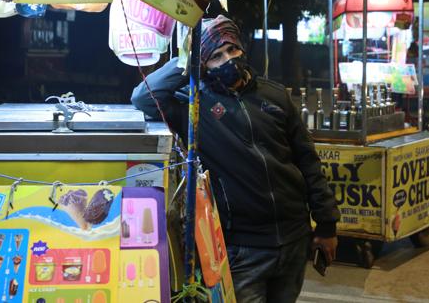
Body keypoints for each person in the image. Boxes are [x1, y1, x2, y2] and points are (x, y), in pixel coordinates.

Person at [132, 15, 339, 303]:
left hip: (294, 240)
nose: (228, 59)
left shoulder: (274, 96)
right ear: (202, 64)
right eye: (216, 56)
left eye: (232, 50)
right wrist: (185, 58)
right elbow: (143, 97)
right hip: (241, 249)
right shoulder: (193, 106)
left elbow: (308, 163)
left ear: (242, 48)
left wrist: (326, 225)